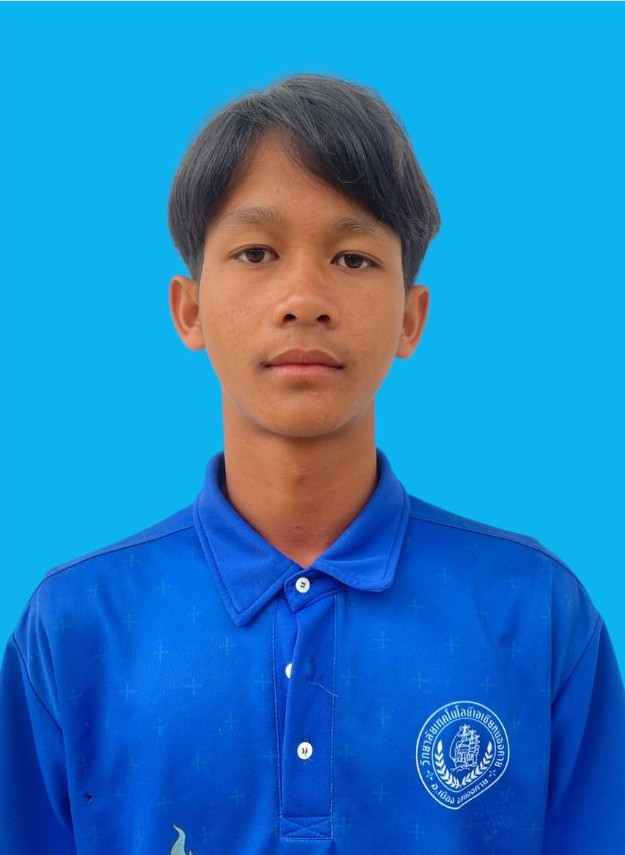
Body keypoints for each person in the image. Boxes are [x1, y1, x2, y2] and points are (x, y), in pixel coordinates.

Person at [1, 74, 623, 855]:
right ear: (189, 309)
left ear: (410, 318)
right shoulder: (78, 623)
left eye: (352, 258)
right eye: (256, 252)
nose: (304, 296)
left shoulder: (533, 611)